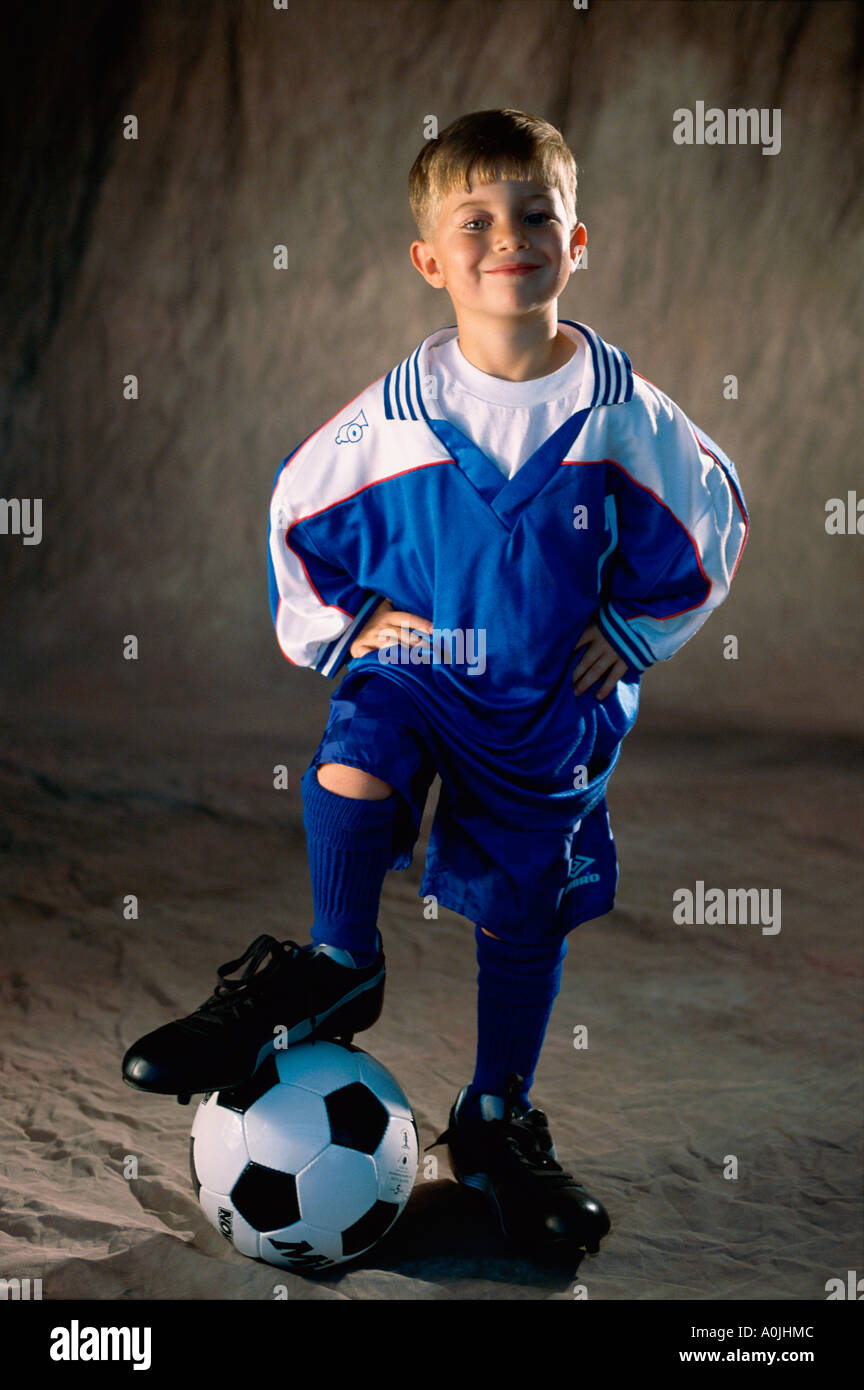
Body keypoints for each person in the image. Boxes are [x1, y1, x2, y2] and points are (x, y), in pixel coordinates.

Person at [123, 109, 748, 1260]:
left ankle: (494, 1120)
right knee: (354, 756)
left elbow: (715, 521)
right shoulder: (395, 420)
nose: (507, 235)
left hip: (549, 706)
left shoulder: (625, 418)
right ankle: (340, 959)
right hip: (422, 676)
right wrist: (350, 623)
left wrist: (636, 626)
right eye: (475, 219)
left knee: (525, 903)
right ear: (428, 260)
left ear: (578, 242)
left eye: (534, 214)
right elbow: (293, 516)